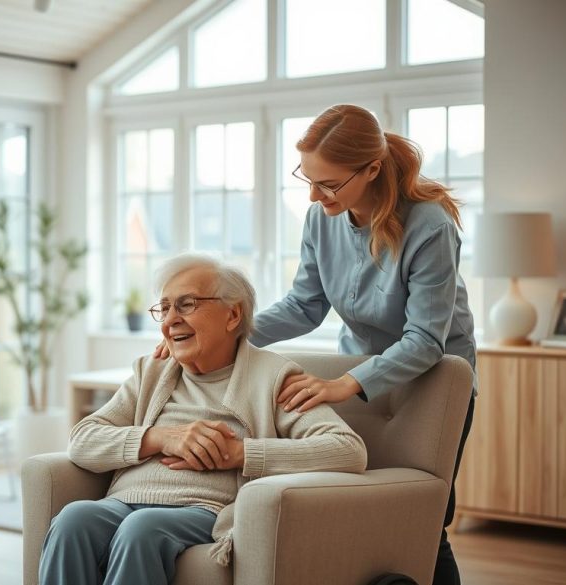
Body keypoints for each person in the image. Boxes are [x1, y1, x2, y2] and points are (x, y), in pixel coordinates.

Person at [154, 104, 477, 585]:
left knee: (427, 520)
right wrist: (216, 333)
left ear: (371, 169)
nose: (313, 194)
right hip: (360, 374)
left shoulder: (429, 226)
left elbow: (425, 340)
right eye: (307, 178)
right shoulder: (322, 219)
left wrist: (345, 385)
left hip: (432, 380)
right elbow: (304, 305)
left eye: (328, 183)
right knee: (359, 504)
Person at [40, 254, 367, 585]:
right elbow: (82, 439)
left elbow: (347, 449)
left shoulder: (273, 377)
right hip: (123, 501)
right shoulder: (150, 372)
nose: (170, 321)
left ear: (233, 314)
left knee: (141, 530)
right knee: (73, 519)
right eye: (164, 309)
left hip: (203, 508)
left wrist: (241, 453)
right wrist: (161, 437)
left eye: (185, 305)